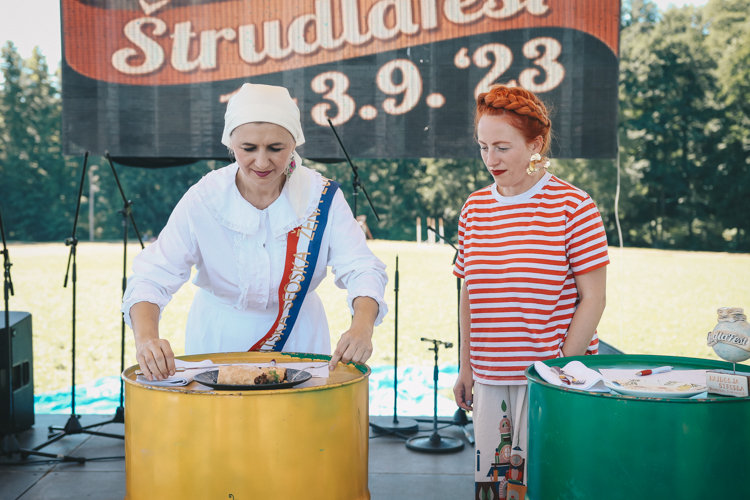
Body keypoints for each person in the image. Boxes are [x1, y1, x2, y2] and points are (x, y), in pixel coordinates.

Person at [122, 83, 388, 381]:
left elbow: (361, 266)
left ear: (294, 144)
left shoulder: (321, 197)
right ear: (230, 144)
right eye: (248, 149)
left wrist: (362, 327)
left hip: (299, 341)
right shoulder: (205, 198)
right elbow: (153, 275)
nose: (262, 162)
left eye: (276, 149)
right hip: (219, 341)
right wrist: (146, 339)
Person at [451, 85, 609, 497]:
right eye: (483, 146)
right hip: (488, 378)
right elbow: (470, 293)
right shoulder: (474, 209)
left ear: (535, 143)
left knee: (543, 485)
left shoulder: (573, 206)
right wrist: (466, 366)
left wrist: (559, 373)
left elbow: (593, 298)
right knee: (495, 491)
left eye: (502, 147)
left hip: (545, 377)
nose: (490, 159)